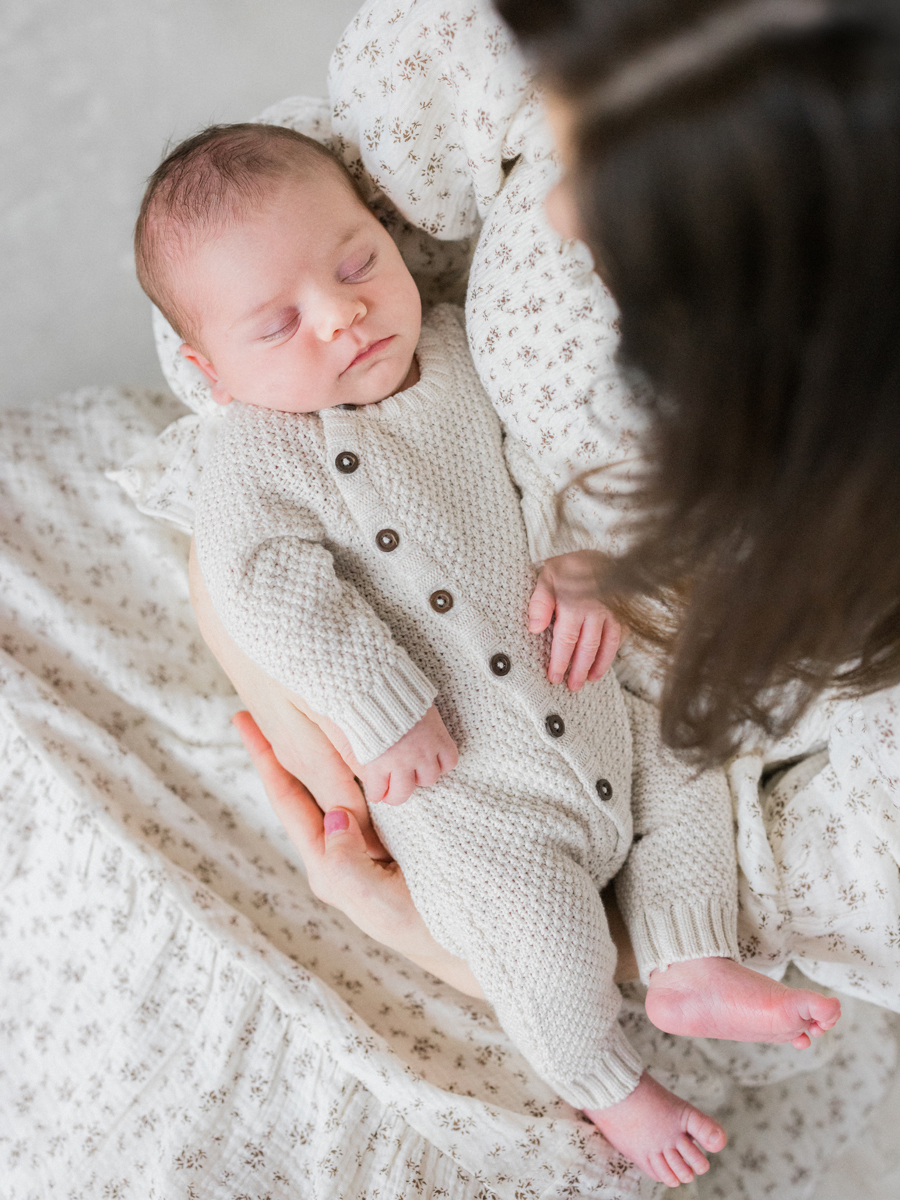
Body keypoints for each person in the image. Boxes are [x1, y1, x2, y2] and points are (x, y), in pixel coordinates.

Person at [135, 122, 840, 1188]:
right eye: (278, 323)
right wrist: (382, 709)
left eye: (357, 261)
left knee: (690, 763)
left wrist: (584, 563)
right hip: (465, 791)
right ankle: (606, 1082)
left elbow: (559, 460)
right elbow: (263, 585)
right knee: (543, 953)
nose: (343, 314)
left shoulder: (469, 351)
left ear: (385, 231)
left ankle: (691, 961)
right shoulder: (253, 457)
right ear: (210, 371)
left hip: (587, 690)